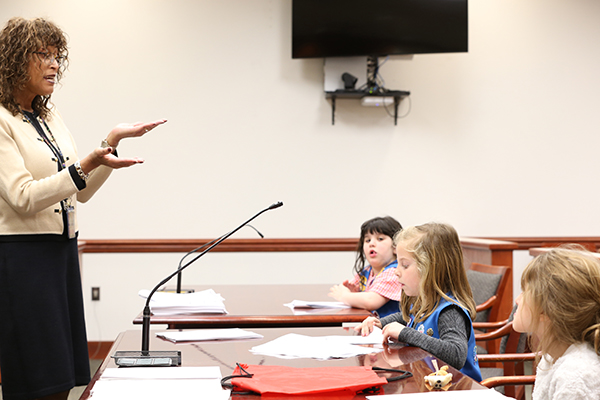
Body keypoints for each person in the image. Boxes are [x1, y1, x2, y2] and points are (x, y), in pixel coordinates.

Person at [0, 17, 166, 400]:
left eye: (57, 56)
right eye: (43, 55)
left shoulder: (48, 116)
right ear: (14, 60)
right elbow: (23, 196)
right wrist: (84, 166)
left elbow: (80, 192)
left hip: (61, 253)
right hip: (24, 260)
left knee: (62, 379)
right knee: (37, 381)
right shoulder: (3, 119)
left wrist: (110, 142)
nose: (55, 64)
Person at [355, 222, 482, 381]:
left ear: (432, 269)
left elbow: (456, 354)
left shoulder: (449, 311)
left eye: (405, 265)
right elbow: (407, 317)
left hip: (458, 390)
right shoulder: (426, 303)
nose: (396, 272)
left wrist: (405, 333)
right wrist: (379, 323)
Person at [513, 247, 600, 400]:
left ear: (545, 311)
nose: (517, 300)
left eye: (524, 291)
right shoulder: (551, 358)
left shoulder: (575, 374)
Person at [329, 216, 402, 318]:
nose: (372, 243)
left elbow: (371, 301)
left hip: (391, 330)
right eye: (367, 240)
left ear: (395, 247)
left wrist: (345, 296)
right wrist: (354, 293)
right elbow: (343, 287)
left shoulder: (394, 272)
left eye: (380, 239)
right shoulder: (368, 270)